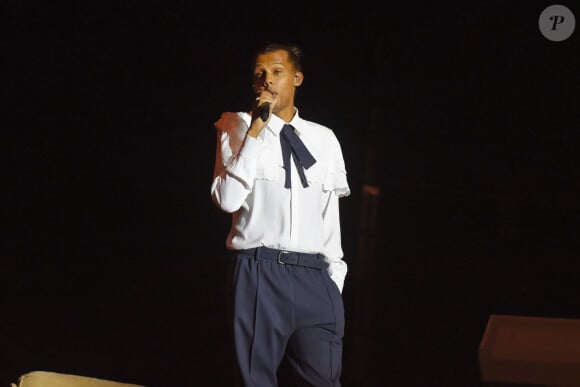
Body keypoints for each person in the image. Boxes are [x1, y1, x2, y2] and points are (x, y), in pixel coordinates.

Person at [210, 42, 350, 387]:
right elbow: (228, 200)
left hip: (315, 278)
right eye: (259, 73)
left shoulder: (325, 139)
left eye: (276, 72)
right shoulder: (237, 126)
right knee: (255, 380)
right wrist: (256, 132)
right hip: (261, 271)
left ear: (297, 78)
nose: (266, 80)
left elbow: (328, 216)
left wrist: (334, 282)